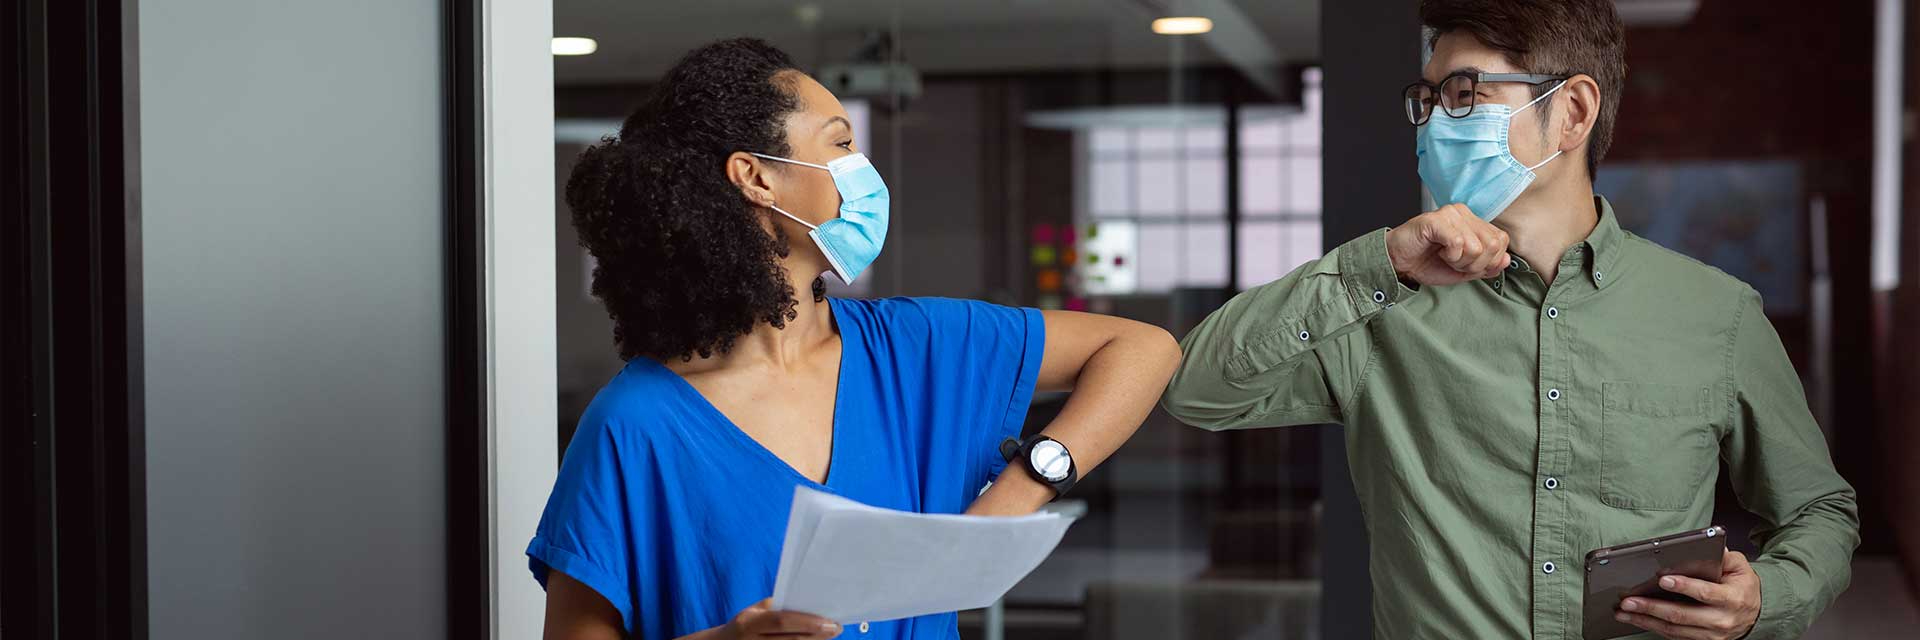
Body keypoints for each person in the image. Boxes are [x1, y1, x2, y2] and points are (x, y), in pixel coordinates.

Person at [1161, 2, 1858, 639]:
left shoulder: (1717, 312)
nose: (1436, 122)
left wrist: (1765, 597)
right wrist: (1379, 267)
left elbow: (1818, 510)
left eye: (1466, 94)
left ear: (1573, 112)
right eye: (1429, 99)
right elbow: (1194, 388)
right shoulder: (1379, 304)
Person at [530, 38, 1180, 640]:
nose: (861, 168)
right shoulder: (635, 425)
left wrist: (1016, 495)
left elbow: (1144, 350)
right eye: (840, 143)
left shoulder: (918, 348)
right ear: (755, 176)